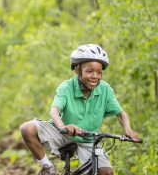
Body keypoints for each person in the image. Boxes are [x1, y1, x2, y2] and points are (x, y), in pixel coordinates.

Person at [19, 44, 139, 175]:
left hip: (88, 139)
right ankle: (47, 167)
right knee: (27, 128)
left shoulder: (105, 89)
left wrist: (127, 129)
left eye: (99, 72)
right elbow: (54, 111)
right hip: (62, 133)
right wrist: (63, 127)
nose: (95, 76)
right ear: (77, 70)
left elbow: (120, 113)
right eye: (89, 71)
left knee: (106, 172)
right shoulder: (67, 87)